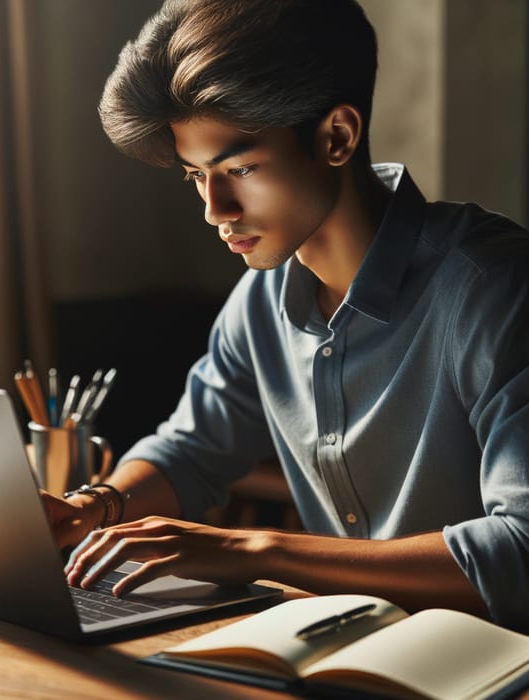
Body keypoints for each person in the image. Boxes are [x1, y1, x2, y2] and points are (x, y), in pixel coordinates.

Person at [42, 0, 529, 632]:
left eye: (239, 168)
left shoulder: (494, 288)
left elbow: (520, 551)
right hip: (351, 642)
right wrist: (92, 507)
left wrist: (251, 550)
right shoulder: (260, 299)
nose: (215, 208)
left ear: (337, 137)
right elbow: (191, 449)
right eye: (196, 175)